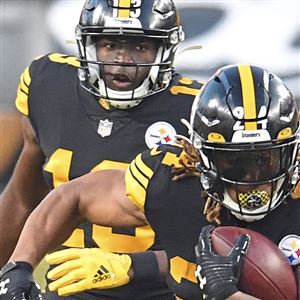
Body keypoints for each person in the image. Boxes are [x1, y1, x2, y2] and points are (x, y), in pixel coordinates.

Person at [1, 64, 299, 300]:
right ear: (197, 153)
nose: (251, 180)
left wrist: (228, 294)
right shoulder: (172, 180)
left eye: (265, 159)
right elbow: (77, 195)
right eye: (233, 161)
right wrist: (20, 265)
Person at [0, 0, 203, 299]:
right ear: (87, 43)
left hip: (162, 289)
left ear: (165, 49)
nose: (122, 61)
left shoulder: (196, 112)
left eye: (139, 47)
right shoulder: (47, 85)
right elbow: (22, 199)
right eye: (109, 45)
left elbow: (215, 238)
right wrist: (10, 272)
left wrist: (134, 265)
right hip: (70, 285)